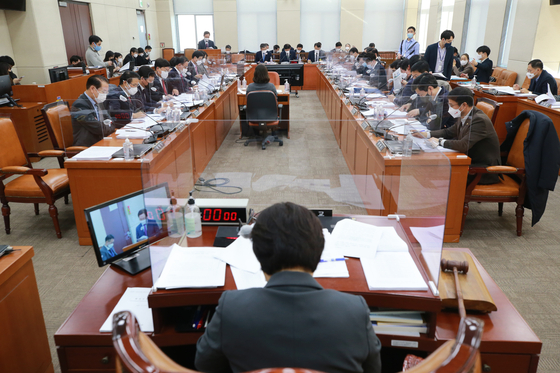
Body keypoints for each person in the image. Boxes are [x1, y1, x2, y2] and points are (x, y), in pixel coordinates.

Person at [195, 202, 382, 373]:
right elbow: (374, 369)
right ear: (318, 254)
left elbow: (204, 365)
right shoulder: (355, 310)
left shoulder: (231, 308)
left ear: (258, 253)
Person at [417, 86, 501, 184]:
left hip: (481, 170)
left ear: (464, 105)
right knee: (433, 167)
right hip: (468, 161)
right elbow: (448, 132)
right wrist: (426, 134)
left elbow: (463, 145)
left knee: (437, 172)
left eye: (452, 105)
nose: (449, 109)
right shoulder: (465, 114)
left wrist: (439, 141)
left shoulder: (479, 120)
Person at [71, 75, 119, 147]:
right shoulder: (79, 105)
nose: (105, 95)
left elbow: (111, 122)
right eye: (103, 91)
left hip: (102, 142)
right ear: (92, 89)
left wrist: (107, 125)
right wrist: (107, 125)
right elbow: (99, 129)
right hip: (88, 147)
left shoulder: (98, 101)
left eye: (106, 92)